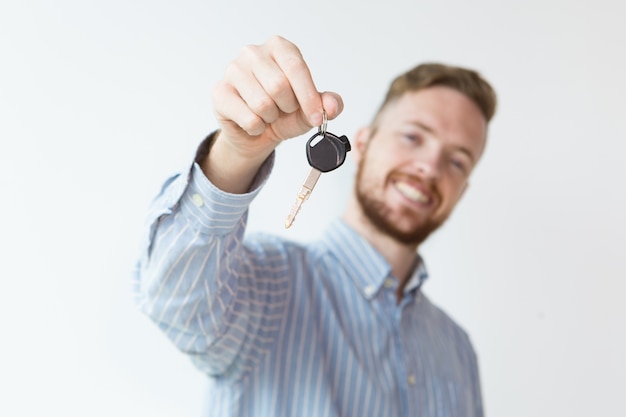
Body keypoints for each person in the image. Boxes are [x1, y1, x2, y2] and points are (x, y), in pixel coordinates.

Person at [134, 35, 497, 417]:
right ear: (363, 143)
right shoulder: (268, 285)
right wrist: (237, 152)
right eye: (413, 137)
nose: (430, 166)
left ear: (464, 189)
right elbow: (176, 300)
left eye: (457, 161)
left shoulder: (457, 348)